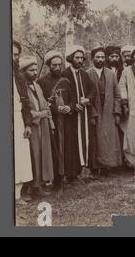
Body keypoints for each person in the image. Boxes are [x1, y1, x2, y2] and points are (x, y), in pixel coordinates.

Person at [19, 56, 54, 197]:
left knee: (42, 154)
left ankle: (40, 184)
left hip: (42, 126)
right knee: (32, 155)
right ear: (23, 71)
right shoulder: (21, 88)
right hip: (30, 126)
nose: (34, 72)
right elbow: (24, 109)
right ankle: (30, 187)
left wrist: (49, 122)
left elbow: (44, 105)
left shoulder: (37, 86)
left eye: (35, 69)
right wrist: (39, 114)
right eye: (31, 70)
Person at [61, 45, 96, 183]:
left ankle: (79, 171)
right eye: (77, 57)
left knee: (82, 140)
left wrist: (87, 99)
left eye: (81, 58)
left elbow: (93, 90)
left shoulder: (84, 74)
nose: (80, 60)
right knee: (71, 143)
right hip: (70, 116)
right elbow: (62, 93)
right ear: (71, 58)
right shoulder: (65, 74)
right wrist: (73, 104)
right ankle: (71, 174)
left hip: (83, 114)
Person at [38, 50, 71, 190]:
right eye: (54, 65)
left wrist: (68, 107)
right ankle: (54, 178)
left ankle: (65, 176)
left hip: (66, 121)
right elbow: (42, 103)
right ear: (48, 65)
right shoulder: (41, 82)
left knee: (66, 146)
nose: (57, 68)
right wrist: (56, 110)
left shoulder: (66, 81)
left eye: (59, 65)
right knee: (53, 147)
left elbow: (72, 98)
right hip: (50, 122)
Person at [87, 46, 122, 175]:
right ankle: (95, 168)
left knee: (110, 139)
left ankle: (109, 167)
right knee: (95, 140)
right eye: (97, 57)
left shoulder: (110, 74)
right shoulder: (87, 74)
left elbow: (117, 95)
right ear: (92, 59)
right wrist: (92, 114)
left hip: (109, 112)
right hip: (95, 112)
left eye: (102, 57)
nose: (100, 60)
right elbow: (86, 95)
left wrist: (117, 112)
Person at [12, 41, 33, 202]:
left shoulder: (18, 76)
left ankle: (17, 195)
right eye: (12, 54)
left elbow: (25, 102)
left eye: (17, 54)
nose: (15, 57)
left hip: (18, 118)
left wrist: (27, 123)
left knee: (20, 155)